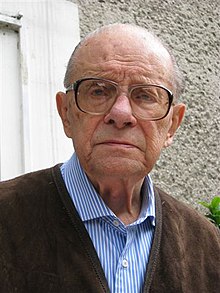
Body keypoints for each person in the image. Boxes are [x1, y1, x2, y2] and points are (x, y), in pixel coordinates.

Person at [0, 23, 219, 293]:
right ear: (66, 113)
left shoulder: (209, 249)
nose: (121, 113)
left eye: (145, 95)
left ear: (172, 124)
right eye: (99, 91)